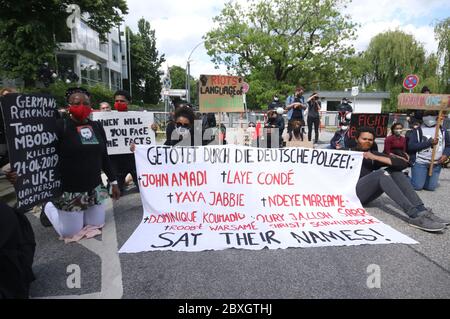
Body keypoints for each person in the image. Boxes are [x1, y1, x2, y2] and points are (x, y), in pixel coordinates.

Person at [42, 87, 120, 241]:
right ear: (68, 106)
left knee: (97, 225)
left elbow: (104, 156)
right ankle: (49, 207)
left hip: (94, 188)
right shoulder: (59, 127)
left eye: (86, 103)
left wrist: (114, 182)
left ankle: (79, 214)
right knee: (70, 233)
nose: (82, 107)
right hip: (70, 190)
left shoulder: (97, 127)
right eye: (77, 103)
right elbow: (47, 157)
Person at [348, 127, 448, 232]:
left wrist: (375, 157)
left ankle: (421, 211)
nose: (367, 142)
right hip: (350, 195)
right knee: (381, 174)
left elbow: (403, 164)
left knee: (395, 171)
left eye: (370, 140)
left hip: (365, 193)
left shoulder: (373, 155)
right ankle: (414, 215)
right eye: (364, 139)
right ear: (356, 139)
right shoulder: (346, 152)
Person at [407, 110, 450, 191]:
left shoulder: (443, 130)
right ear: (423, 117)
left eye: (432, 114)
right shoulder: (418, 130)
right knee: (417, 187)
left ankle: (423, 179)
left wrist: (445, 154)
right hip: (420, 162)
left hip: (436, 164)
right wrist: (429, 143)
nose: (429, 116)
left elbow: (448, 145)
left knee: (430, 187)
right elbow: (411, 146)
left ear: (437, 116)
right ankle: (405, 177)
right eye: (427, 114)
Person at [108, 90, 140, 193]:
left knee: (145, 190)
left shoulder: (138, 117)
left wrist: (152, 129)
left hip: (134, 159)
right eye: (116, 101)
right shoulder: (108, 118)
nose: (119, 103)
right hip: (117, 161)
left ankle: (130, 180)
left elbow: (146, 137)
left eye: (122, 101)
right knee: (113, 193)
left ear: (128, 102)